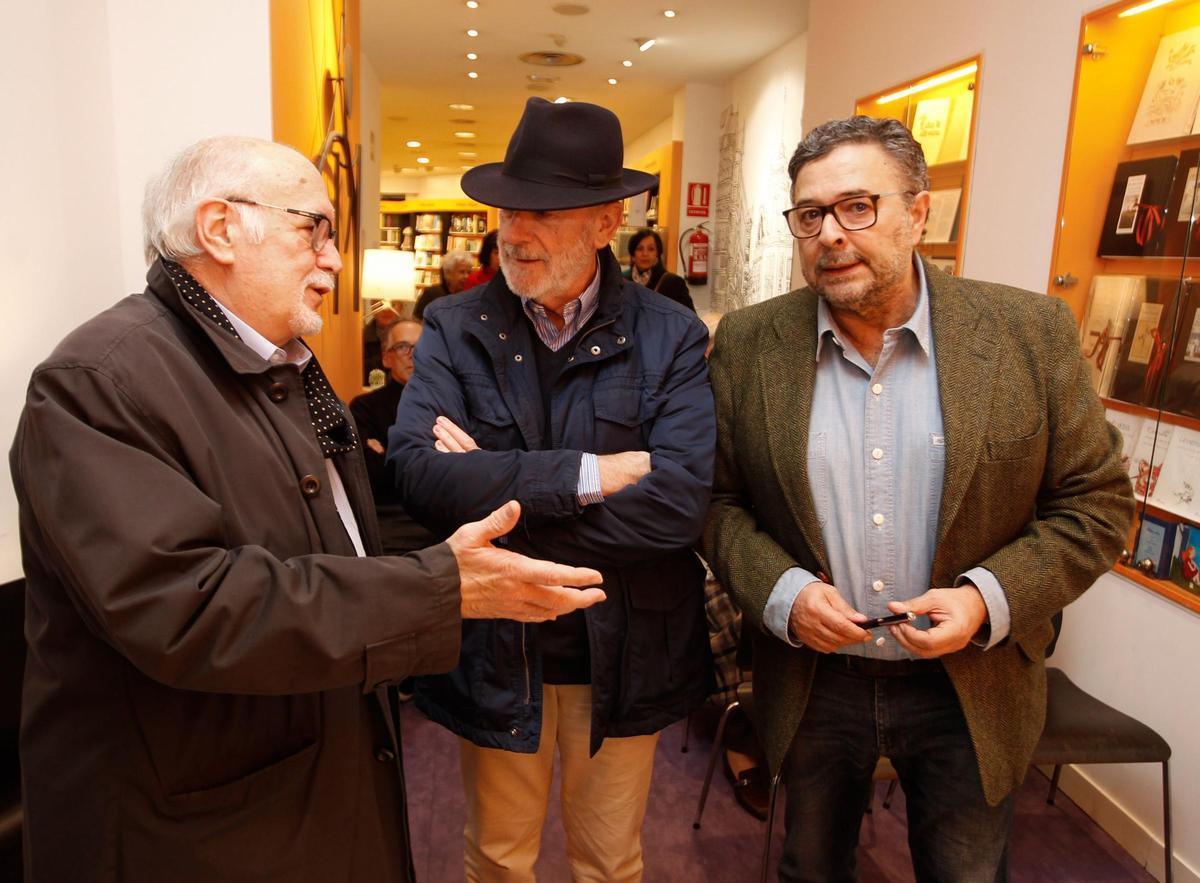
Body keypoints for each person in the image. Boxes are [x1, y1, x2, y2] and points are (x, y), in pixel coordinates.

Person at [8, 135, 607, 883]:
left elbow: (327, 550)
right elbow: (190, 609)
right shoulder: (98, 383)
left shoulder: (277, 367)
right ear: (220, 228)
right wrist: (441, 585)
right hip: (198, 829)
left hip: (308, 787)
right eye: (313, 229)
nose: (333, 258)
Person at [701, 116, 1135, 882]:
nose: (830, 233)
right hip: (813, 680)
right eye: (810, 214)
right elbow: (717, 501)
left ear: (920, 212)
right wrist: (784, 592)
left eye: (858, 206)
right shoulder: (748, 341)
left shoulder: (1027, 333)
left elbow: (1096, 505)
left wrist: (986, 599)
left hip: (970, 682)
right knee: (809, 866)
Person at [388, 97, 715, 883]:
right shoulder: (453, 325)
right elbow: (415, 473)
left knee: (609, 861)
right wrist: (589, 476)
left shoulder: (671, 334)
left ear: (607, 221)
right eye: (507, 207)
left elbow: (678, 503)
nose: (513, 229)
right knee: (499, 859)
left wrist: (497, 501)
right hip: (499, 645)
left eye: (542, 211)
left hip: (626, 648)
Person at [350, 317, 436, 554]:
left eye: (421, 346)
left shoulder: (453, 402)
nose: (412, 354)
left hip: (446, 522)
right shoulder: (364, 407)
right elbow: (371, 476)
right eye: (402, 347)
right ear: (386, 358)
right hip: (391, 527)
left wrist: (391, 454)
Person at [623, 227, 695, 311]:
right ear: (633, 255)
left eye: (651, 249)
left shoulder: (673, 283)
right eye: (640, 249)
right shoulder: (621, 281)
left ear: (657, 254)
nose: (645, 254)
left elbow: (690, 319)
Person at [414, 248, 473, 319]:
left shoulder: (471, 297)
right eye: (462, 272)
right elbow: (418, 322)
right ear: (448, 273)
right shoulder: (431, 294)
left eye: (469, 272)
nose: (466, 276)